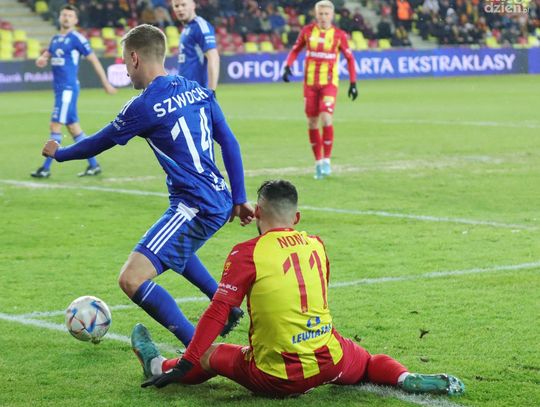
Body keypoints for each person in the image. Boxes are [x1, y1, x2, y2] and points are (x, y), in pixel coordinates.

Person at [132, 179, 466, 398]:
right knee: (366, 362)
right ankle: (406, 378)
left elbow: (219, 310)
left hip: (277, 376)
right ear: (297, 218)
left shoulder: (247, 252)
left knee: (210, 355)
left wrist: (189, 360)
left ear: (257, 212)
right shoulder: (316, 244)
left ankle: (158, 365)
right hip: (330, 359)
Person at [41, 24, 254, 346]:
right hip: (219, 197)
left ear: (135, 58)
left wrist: (60, 153)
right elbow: (229, 142)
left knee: (131, 279)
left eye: (125, 62)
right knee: (173, 248)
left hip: (195, 205)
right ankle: (226, 307)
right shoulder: (198, 90)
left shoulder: (142, 105)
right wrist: (239, 197)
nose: (126, 70)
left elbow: (97, 142)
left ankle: (198, 351)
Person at [31, 4, 117, 179]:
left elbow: (94, 60)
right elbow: (48, 53)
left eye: (70, 16)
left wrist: (106, 83)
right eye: (64, 15)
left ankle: (45, 168)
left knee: (55, 126)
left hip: (67, 89)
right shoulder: (55, 39)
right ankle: (94, 165)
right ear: (59, 17)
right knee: (73, 129)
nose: (66, 18)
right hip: (60, 90)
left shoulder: (77, 38)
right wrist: (42, 58)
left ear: (75, 20)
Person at [282, 1, 358, 180]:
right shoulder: (307, 32)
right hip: (310, 84)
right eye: (321, 14)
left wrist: (353, 83)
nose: (323, 17)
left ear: (332, 15)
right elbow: (295, 50)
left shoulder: (339, 35)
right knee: (312, 122)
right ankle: (318, 162)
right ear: (316, 15)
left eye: (326, 14)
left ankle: (327, 161)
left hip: (329, 84)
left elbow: (350, 59)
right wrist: (287, 66)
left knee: (326, 117)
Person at [172, 0, 219, 91]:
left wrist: (211, 91)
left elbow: (213, 57)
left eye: (183, 5)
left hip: (197, 92)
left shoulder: (201, 26)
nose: (180, 9)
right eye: (176, 6)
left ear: (193, 5)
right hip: (186, 92)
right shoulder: (186, 28)